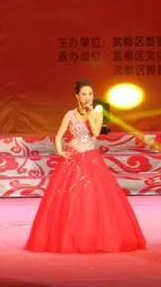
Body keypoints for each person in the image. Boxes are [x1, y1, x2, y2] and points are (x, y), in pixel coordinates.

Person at [25, 80, 146, 253]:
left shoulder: (97, 113)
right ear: (77, 96)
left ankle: (96, 237)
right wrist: (60, 151)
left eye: (90, 93)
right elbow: (59, 136)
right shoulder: (69, 114)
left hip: (91, 158)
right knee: (69, 198)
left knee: (95, 197)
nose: (87, 97)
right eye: (84, 94)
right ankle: (67, 237)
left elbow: (95, 133)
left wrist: (90, 114)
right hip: (73, 157)